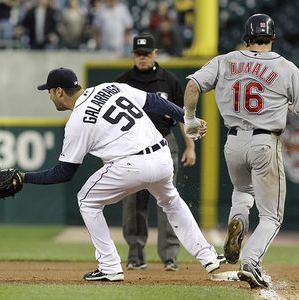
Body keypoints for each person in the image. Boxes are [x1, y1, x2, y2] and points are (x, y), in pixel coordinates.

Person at [21, 67, 225, 282]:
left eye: (50, 91)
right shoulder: (111, 87)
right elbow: (156, 103)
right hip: (162, 156)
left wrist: (24, 177)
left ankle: (109, 266)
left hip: (132, 164)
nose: (49, 95)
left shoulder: (77, 121)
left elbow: (63, 173)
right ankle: (208, 256)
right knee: (171, 201)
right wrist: (187, 118)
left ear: (59, 91)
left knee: (87, 200)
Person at [183, 13, 299, 289]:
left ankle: (238, 219)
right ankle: (251, 262)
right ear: (272, 37)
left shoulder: (226, 60)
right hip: (264, 141)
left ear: (247, 37)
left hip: (233, 141)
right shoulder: (286, 68)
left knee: (242, 192)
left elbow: (192, 85)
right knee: (271, 215)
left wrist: (189, 119)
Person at [116, 33, 196, 271]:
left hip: (163, 142)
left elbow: (184, 116)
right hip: (132, 147)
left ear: (155, 53)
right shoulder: (122, 82)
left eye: (146, 54)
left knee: (168, 201)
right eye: (138, 54)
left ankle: (169, 256)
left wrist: (190, 146)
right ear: (133, 55)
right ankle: (135, 255)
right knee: (133, 202)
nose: (142, 58)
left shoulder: (169, 80)